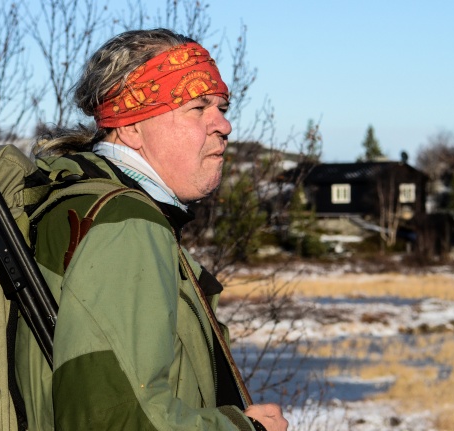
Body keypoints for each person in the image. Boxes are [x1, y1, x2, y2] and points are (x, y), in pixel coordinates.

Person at [15, 28, 290, 431]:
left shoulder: (83, 203)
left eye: (222, 107)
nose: (224, 126)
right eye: (197, 107)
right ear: (130, 127)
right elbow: (113, 420)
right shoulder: (124, 225)